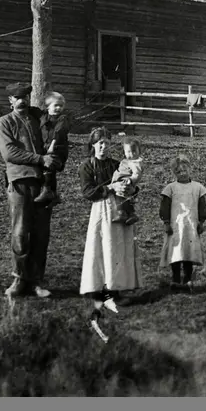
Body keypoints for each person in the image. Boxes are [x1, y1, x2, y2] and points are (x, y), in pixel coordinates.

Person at [0, 82, 58, 299]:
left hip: (42, 184)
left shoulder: (38, 120)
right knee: (20, 233)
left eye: (25, 96)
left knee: (41, 234)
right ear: (10, 100)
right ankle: (19, 278)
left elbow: (55, 140)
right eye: (17, 97)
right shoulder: (4, 122)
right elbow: (10, 153)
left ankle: (37, 281)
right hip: (19, 183)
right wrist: (40, 159)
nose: (22, 100)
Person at [78, 127, 143, 315]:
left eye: (107, 143)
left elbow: (131, 181)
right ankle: (97, 290)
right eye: (100, 143)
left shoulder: (117, 164)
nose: (104, 147)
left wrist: (130, 189)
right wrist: (110, 187)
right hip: (101, 210)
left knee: (116, 249)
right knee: (102, 247)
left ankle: (114, 289)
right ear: (93, 145)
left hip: (120, 208)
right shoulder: (87, 166)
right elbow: (88, 191)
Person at [159, 155, 206, 292]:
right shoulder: (171, 188)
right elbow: (164, 207)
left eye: (185, 170)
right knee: (176, 254)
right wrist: (166, 222)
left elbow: (202, 207)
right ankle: (175, 280)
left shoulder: (197, 187)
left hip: (191, 226)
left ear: (190, 169)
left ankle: (187, 281)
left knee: (188, 253)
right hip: (175, 227)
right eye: (178, 172)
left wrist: (202, 222)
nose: (182, 173)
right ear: (174, 173)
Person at [33, 91, 70, 207]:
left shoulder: (62, 119)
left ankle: (47, 191)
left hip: (58, 148)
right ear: (48, 106)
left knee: (49, 164)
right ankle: (53, 194)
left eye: (61, 106)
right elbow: (34, 111)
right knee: (45, 168)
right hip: (46, 147)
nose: (59, 108)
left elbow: (59, 132)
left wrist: (52, 146)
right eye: (56, 105)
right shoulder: (44, 116)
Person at [109, 137, 144, 225]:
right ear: (124, 152)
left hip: (125, 181)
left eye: (134, 151)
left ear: (139, 151)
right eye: (128, 152)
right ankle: (131, 214)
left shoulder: (135, 162)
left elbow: (137, 174)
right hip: (122, 180)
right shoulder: (127, 161)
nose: (131, 154)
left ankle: (121, 213)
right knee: (126, 198)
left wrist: (130, 180)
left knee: (120, 197)